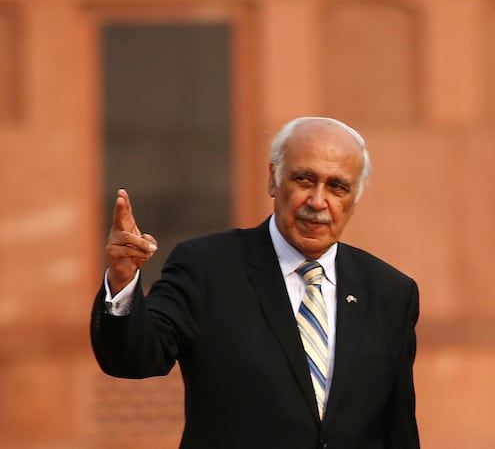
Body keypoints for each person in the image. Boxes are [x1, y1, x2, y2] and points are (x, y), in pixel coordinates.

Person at [90, 116, 420, 449]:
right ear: (273, 180)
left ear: (355, 199)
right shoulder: (207, 267)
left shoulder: (389, 293)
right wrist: (123, 281)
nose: (318, 201)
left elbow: (399, 429)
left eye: (337, 186)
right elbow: (135, 357)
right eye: (304, 179)